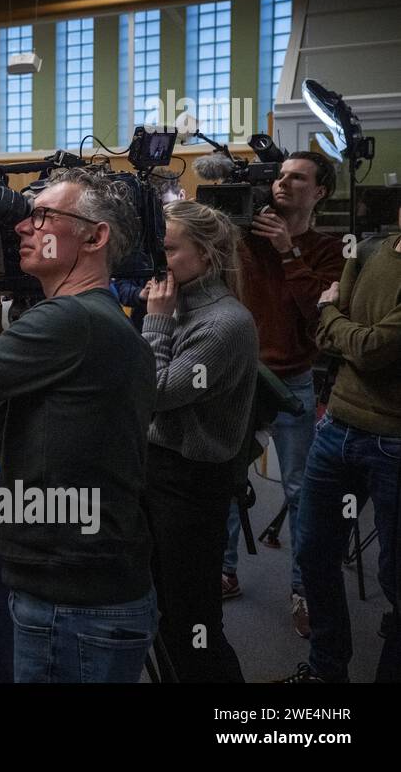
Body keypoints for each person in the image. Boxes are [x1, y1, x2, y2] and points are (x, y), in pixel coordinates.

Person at [0, 167, 158, 683]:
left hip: (72, 605)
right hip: (78, 594)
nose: (23, 228)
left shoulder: (71, 321)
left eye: (44, 216)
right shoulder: (88, 318)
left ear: (96, 237)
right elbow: (8, 441)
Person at [222, 152, 345, 639]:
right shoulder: (243, 240)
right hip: (241, 377)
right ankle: (223, 572)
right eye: (279, 176)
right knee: (227, 479)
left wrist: (289, 252)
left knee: (301, 490)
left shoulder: (330, 251)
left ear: (319, 192)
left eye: (297, 178)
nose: (283, 184)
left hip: (293, 379)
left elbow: (318, 314)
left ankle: (303, 589)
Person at [140, 201, 257, 683]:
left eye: (168, 248)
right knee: (165, 614)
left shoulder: (224, 324)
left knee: (193, 623)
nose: (158, 259)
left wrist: (156, 324)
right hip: (158, 472)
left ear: (206, 256)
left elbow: (153, 392)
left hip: (191, 486)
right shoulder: (177, 302)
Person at [284, 205, 401, 683]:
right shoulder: (369, 248)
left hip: (394, 442)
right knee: (313, 553)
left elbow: (371, 351)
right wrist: (337, 324)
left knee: (394, 579)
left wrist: (330, 311)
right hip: (337, 428)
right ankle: (326, 671)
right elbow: (329, 339)